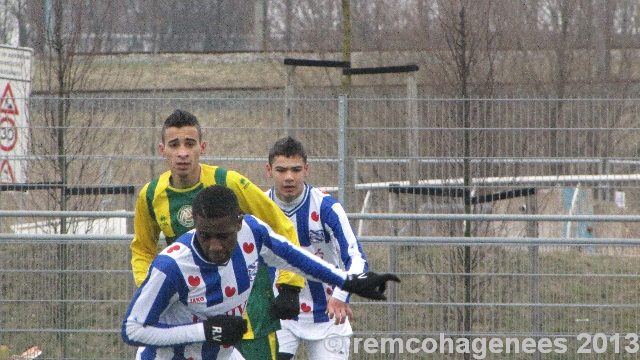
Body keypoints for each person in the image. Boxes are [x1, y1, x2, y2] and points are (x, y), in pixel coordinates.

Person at [122, 185, 401, 360]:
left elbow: (294, 258)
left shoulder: (252, 232)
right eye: (205, 235)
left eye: (223, 235)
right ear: (194, 223)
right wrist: (205, 330)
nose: (215, 246)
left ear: (239, 223)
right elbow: (132, 330)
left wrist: (348, 281)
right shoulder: (170, 267)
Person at [129, 109, 305, 360]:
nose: (182, 152)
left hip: (250, 310)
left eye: (189, 144)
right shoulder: (151, 195)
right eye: (174, 144)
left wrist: (290, 286)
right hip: (193, 318)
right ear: (162, 149)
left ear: (202, 147)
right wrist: (152, 290)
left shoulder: (229, 182)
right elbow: (142, 249)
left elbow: (281, 227)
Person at [266, 137, 367, 360]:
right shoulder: (260, 208)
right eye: (281, 170)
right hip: (280, 317)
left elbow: (357, 259)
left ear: (307, 170)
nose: (289, 177)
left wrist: (341, 295)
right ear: (269, 170)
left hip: (329, 315)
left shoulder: (326, 207)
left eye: (296, 169)